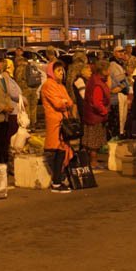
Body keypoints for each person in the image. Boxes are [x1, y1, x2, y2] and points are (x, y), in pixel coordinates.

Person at [41, 61, 75, 193]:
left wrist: (65, 102)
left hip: (63, 121)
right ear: (52, 72)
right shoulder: (48, 85)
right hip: (55, 121)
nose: (61, 73)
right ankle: (56, 182)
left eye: (62, 70)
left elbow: (69, 101)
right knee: (57, 150)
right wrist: (64, 102)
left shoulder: (60, 85)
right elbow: (58, 103)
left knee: (62, 149)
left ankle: (58, 179)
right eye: (58, 70)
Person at [81, 60, 111, 170]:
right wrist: (105, 111)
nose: (110, 71)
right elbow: (97, 102)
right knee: (94, 142)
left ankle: (92, 161)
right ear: (103, 70)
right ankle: (93, 162)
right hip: (95, 117)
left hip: (92, 115)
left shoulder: (95, 80)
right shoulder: (98, 83)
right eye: (108, 69)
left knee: (92, 141)